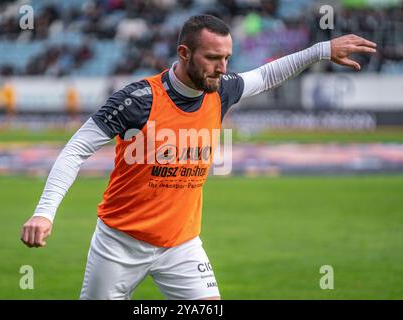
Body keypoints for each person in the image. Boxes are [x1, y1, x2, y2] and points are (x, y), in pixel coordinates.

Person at [20, 14, 376, 300]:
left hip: (182, 245)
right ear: (184, 53)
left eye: (227, 59)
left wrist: (321, 49)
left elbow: (266, 75)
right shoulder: (137, 99)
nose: (222, 68)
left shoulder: (223, 90)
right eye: (212, 58)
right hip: (119, 244)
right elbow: (75, 149)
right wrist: (44, 212)